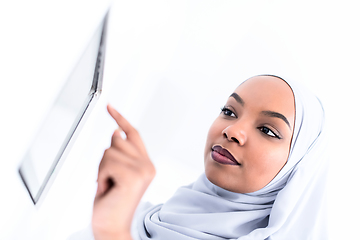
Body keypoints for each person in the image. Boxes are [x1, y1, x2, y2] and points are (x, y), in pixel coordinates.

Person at [91, 75, 329, 240]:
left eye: (267, 130)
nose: (232, 131)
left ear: (297, 168)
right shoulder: (143, 215)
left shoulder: (120, 221)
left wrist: (112, 232)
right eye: (229, 112)